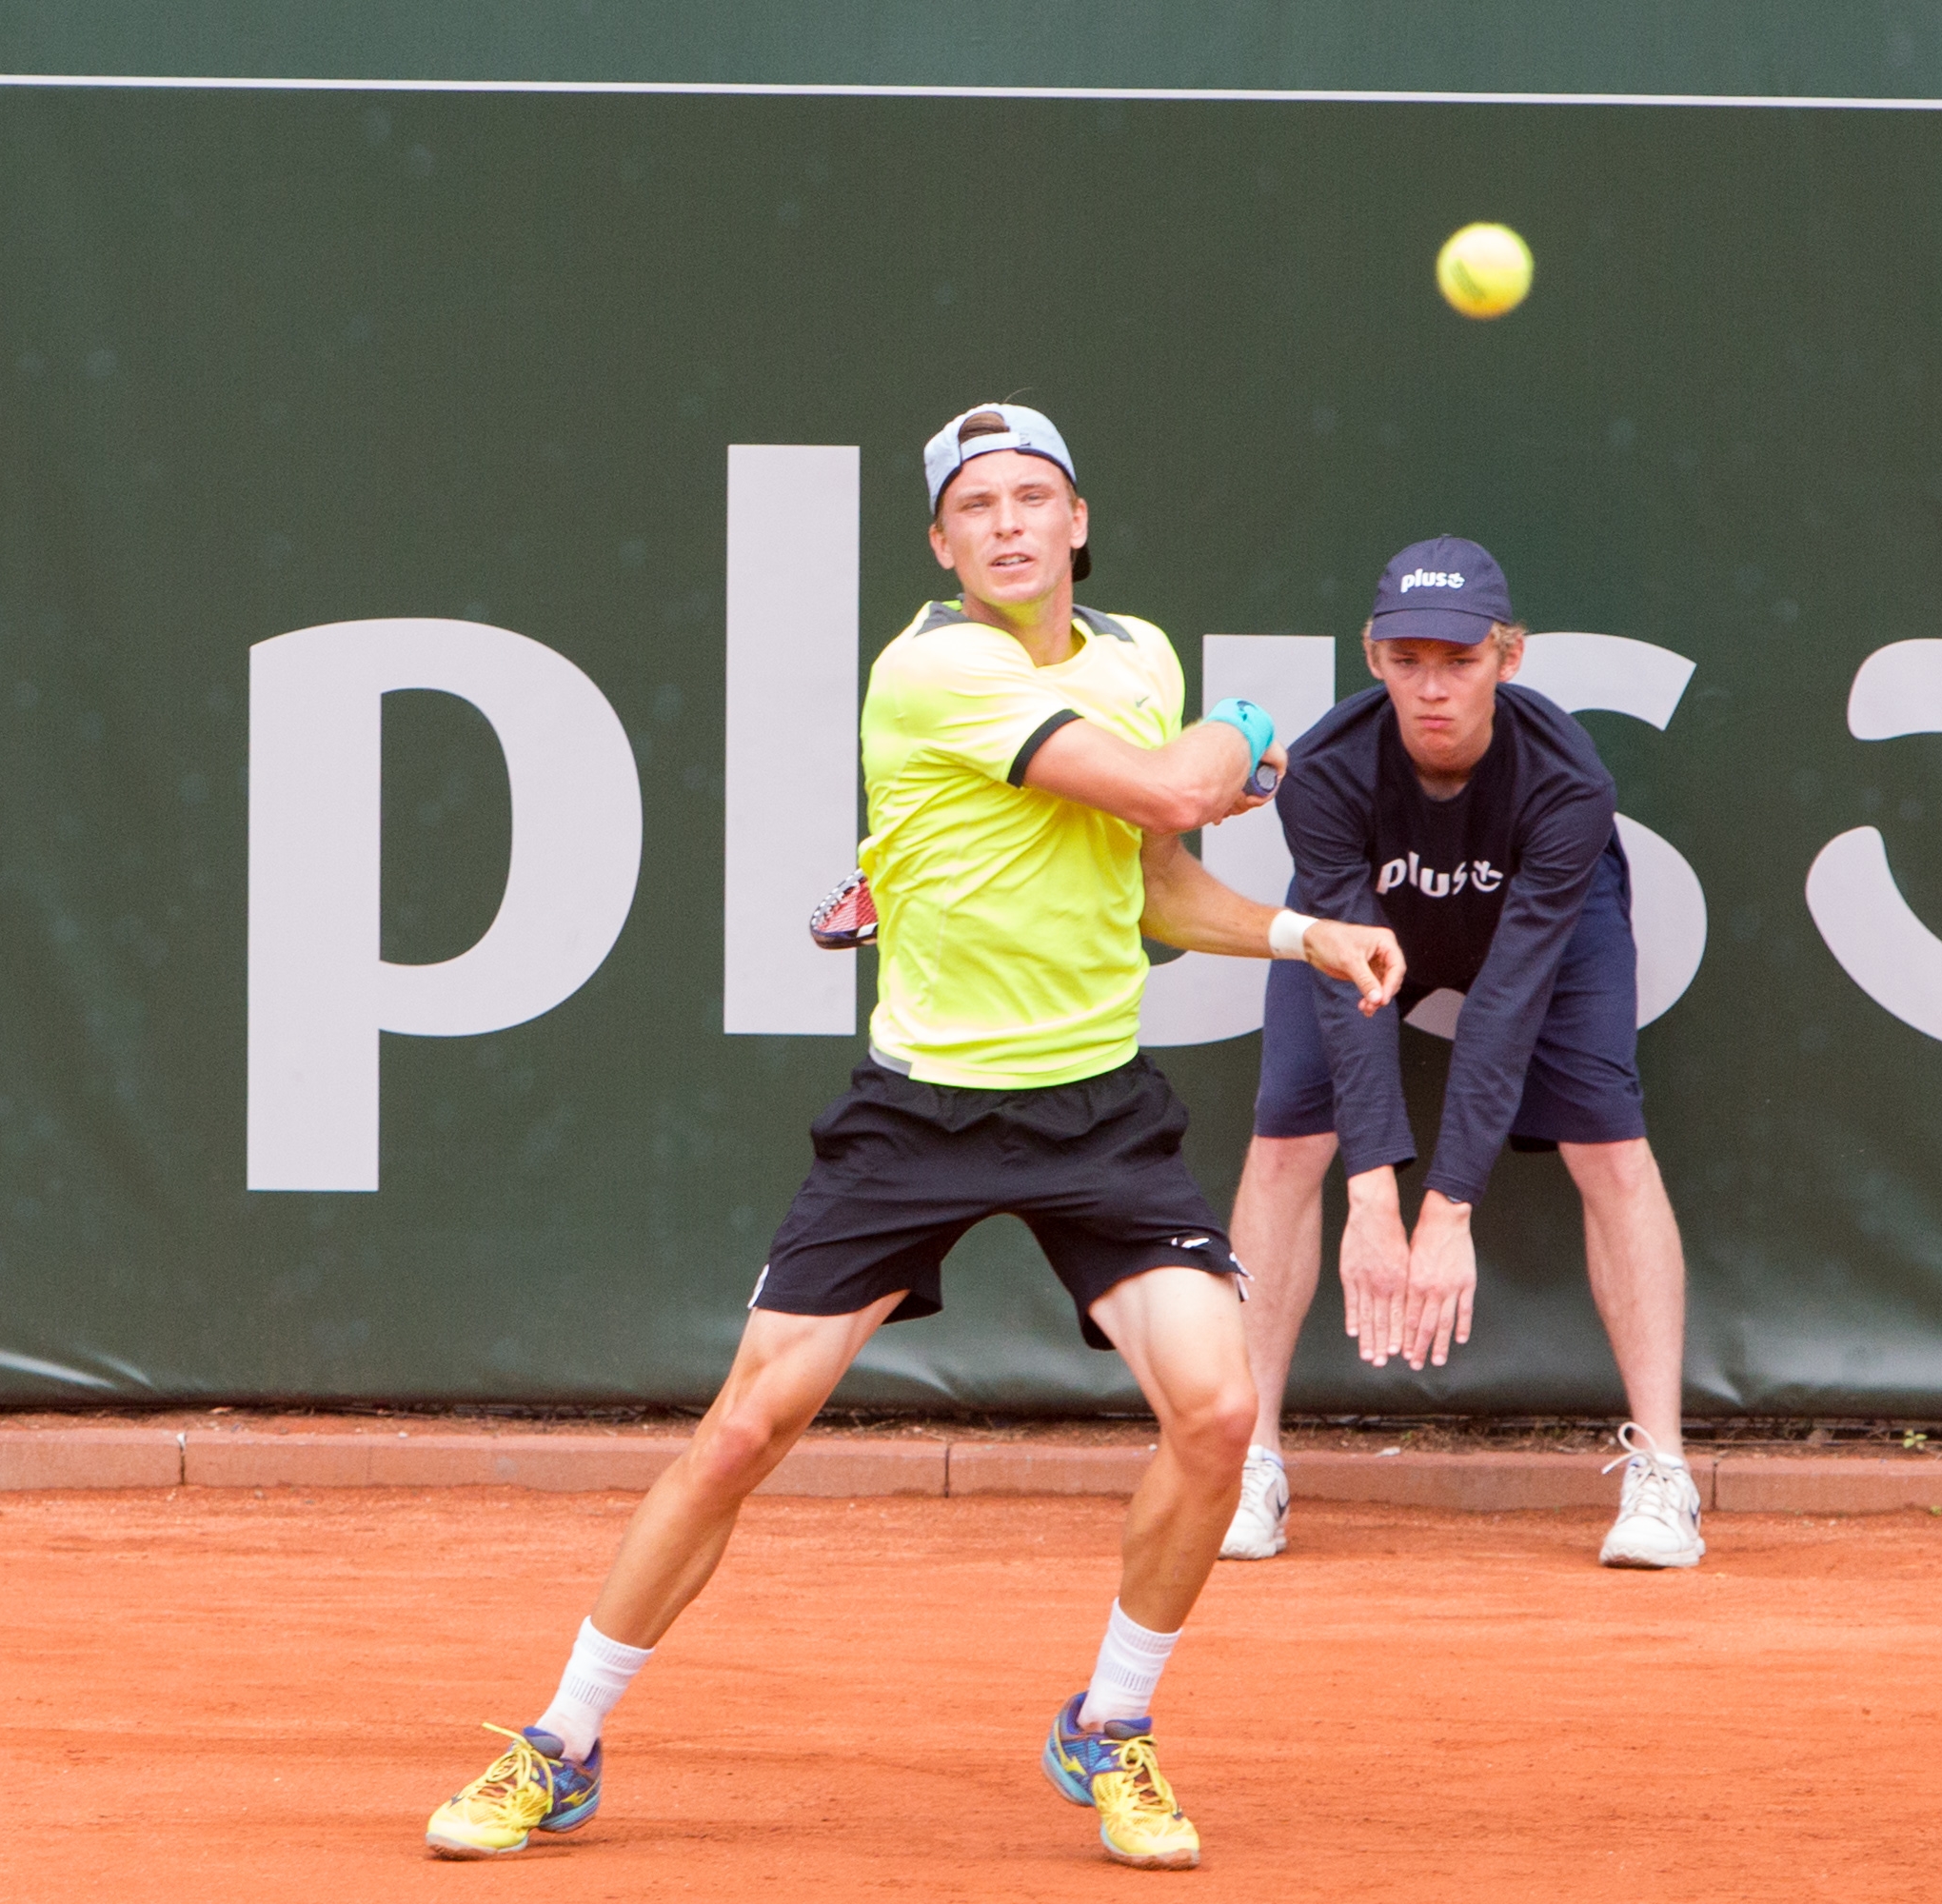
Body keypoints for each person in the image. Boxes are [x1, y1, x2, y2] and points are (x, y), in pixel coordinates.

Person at [422, 404, 1404, 1870]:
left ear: (1078, 520)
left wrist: (1300, 932)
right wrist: (1254, 730)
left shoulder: (1137, 660)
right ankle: (558, 1744)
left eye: (1034, 498)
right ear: (941, 546)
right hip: (919, 1116)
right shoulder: (935, 668)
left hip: (1099, 1112)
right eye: (976, 508)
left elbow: (1151, 885)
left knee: (1213, 1415)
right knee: (746, 1427)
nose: (1008, 524)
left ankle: (1111, 1729)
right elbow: (1175, 785)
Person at [1218, 536, 1704, 1571]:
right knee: (1285, 1144)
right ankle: (1248, 1458)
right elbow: (1359, 989)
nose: (1432, 687)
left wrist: (1446, 1208)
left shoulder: (1569, 781)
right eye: (1406, 661)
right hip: (1368, 932)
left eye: (1460, 660)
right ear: (1373, 658)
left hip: (1544, 938)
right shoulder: (1326, 774)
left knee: (1612, 1148)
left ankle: (1664, 1471)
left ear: (1509, 657)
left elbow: (1507, 1006)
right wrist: (1374, 1199)